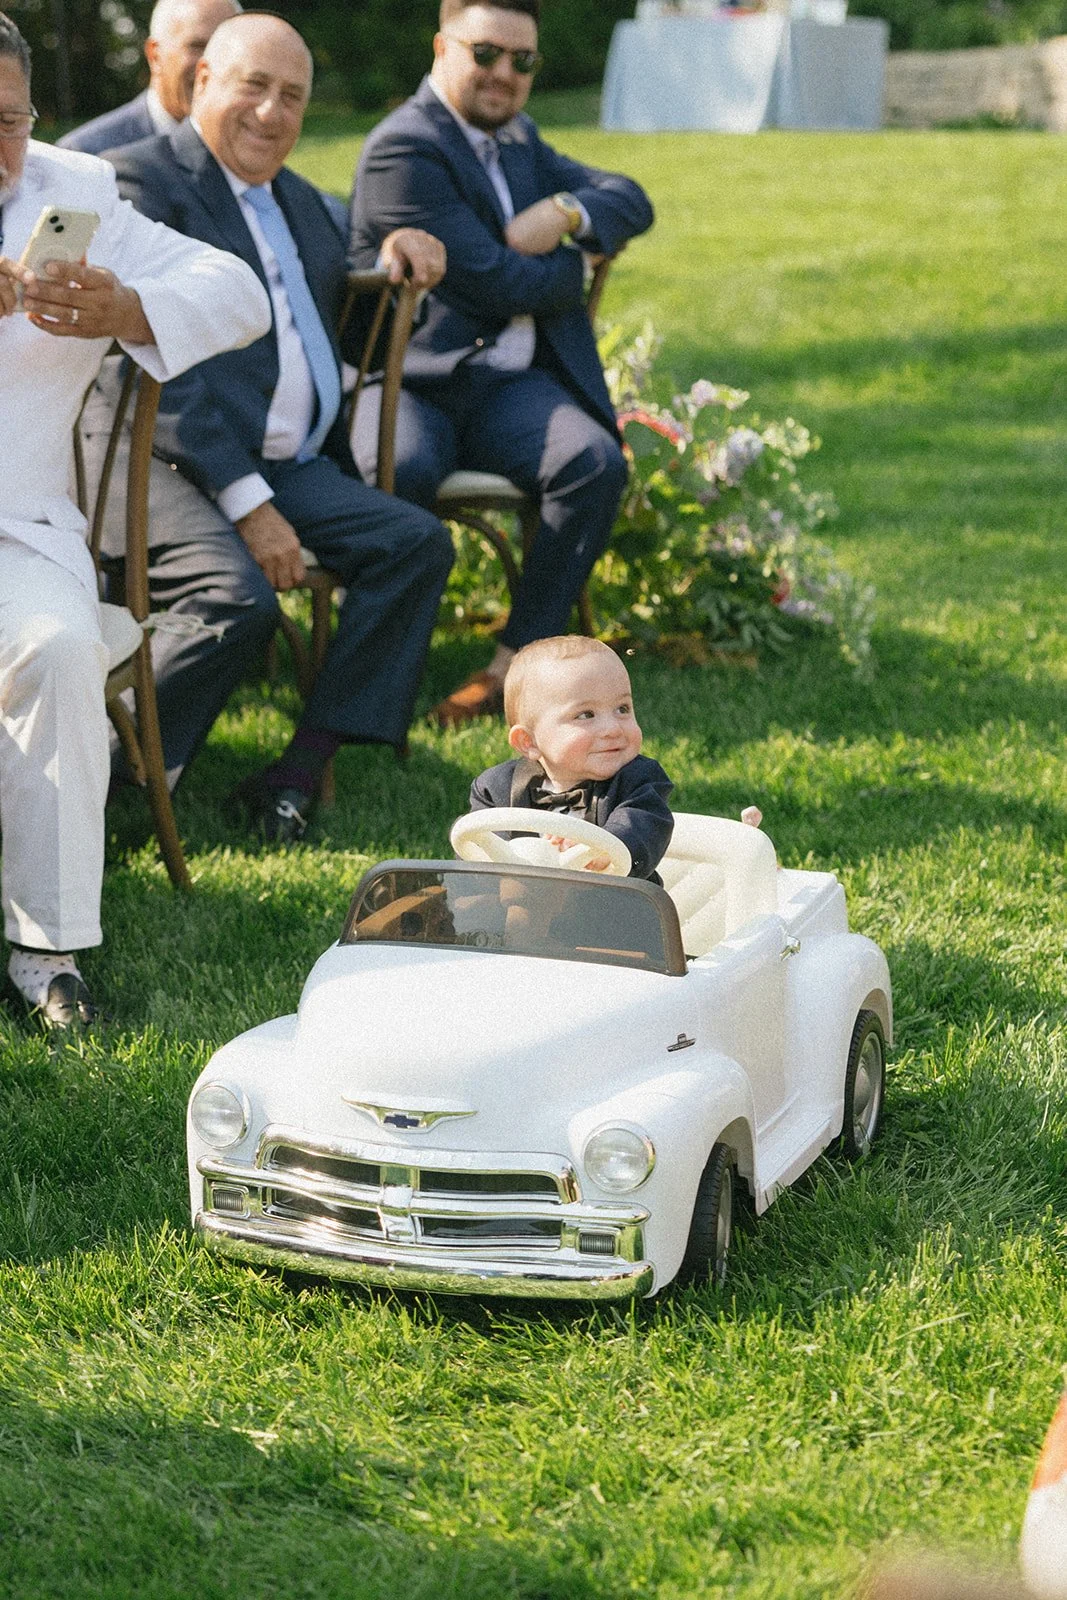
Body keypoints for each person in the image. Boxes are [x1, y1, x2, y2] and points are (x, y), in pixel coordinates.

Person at [101, 12, 455, 838]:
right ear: (200, 85)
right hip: (161, 456)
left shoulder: (302, 204)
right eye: (252, 87)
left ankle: (296, 770)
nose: (271, 113)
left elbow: (337, 334)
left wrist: (399, 260)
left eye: (291, 97)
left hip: (284, 457)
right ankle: (113, 785)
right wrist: (251, 504)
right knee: (236, 598)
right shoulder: (141, 183)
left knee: (415, 544)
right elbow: (151, 366)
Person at [0, 11, 271, 1025]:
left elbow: (235, 290)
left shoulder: (76, 191)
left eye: (11, 120)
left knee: (64, 644)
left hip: (19, 530)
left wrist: (127, 311)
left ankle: (47, 955)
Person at [349, 0, 654, 727]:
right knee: (402, 472)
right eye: (485, 53)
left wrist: (564, 215)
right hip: (411, 382)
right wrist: (570, 273)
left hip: (504, 388)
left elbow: (631, 198)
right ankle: (378, 676)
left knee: (593, 462)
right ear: (440, 47)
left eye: (522, 61)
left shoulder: (519, 140)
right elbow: (488, 276)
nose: (503, 74)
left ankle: (510, 669)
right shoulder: (404, 148)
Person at [468, 636, 674, 881]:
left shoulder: (640, 780)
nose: (613, 728)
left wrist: (606, 849)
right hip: (522, 902)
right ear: (529, 742)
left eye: (622, 709)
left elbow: (643, 823)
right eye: (586, 715)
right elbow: (478, 847)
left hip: (614, 907)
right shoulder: (494, 788)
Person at [58, 0, 240, 156]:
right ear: (155, 55)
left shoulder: (256, 148)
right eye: (197, 46)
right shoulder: (89, 154)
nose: (212, 63)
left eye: (225, 49)